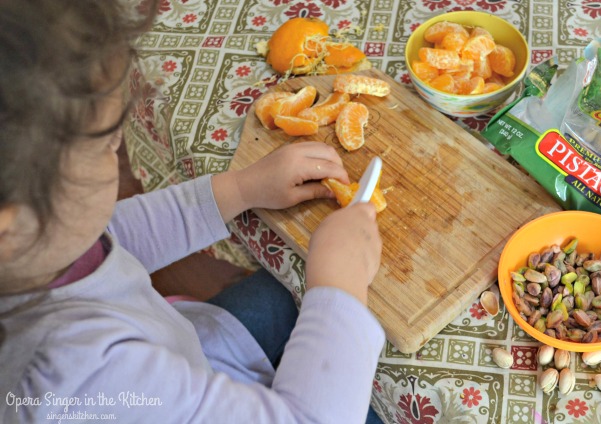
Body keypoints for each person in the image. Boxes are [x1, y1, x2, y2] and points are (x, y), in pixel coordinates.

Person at [0, 1, 385, 423]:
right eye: (108, 145)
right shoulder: (85, 383)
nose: (117, 150)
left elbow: (117, 237)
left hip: (195, 353)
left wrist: (241, 188)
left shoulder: (36, 248)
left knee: (289, 281)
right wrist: (339, 288)